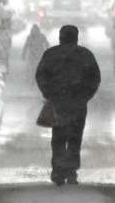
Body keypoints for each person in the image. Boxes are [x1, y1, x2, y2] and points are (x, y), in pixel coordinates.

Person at [35, 24, 101, 186]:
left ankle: (58, 170)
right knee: (74, 138)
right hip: (78, 105)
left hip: (58, 104)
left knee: (58, 137)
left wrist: (49, 94)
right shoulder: (85, 55)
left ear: (60, 36)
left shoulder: (51, 54)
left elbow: (40, 76)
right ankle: (71, 171)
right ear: (76, 37)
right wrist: (85, 96)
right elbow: (95, 79)